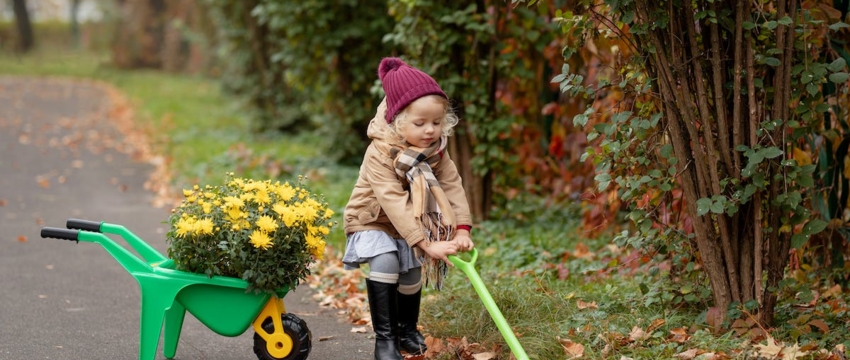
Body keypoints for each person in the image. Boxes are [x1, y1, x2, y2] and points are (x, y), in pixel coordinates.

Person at [342, 57, 475, 360]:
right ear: (398, 121)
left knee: (412, 271)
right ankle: (385, 341)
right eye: (420, 123)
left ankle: (406, 330)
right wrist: (426, 243)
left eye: (437, 123)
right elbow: (393, 201)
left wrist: (462, 229)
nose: (430, 130)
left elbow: (452, 185)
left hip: (409, 222)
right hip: (372, 219)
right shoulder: (379, 152)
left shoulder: (435, 150)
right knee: (388, 260)